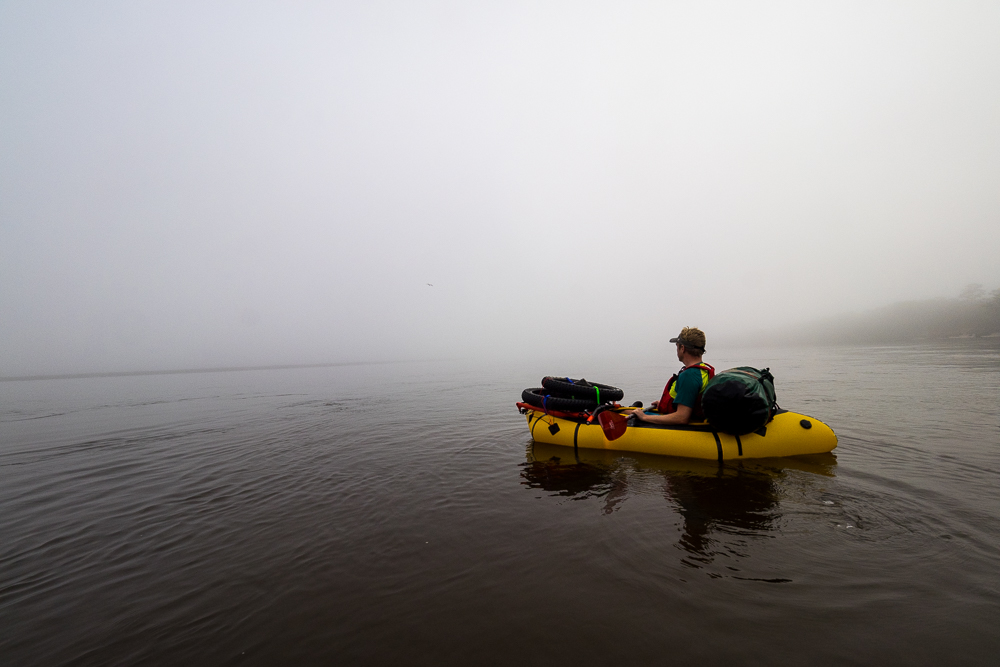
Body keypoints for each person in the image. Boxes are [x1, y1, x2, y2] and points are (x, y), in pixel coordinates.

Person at [626, 327, 715, 425]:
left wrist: (644, 417)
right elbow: (692, 399)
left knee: (621, 413)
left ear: (682, 348)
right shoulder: (703, 370)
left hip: (684, 425)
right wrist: (665, 405)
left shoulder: (689, 376)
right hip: (691, 417)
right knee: (625, 411)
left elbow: (682, 418)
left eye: (677, 346)